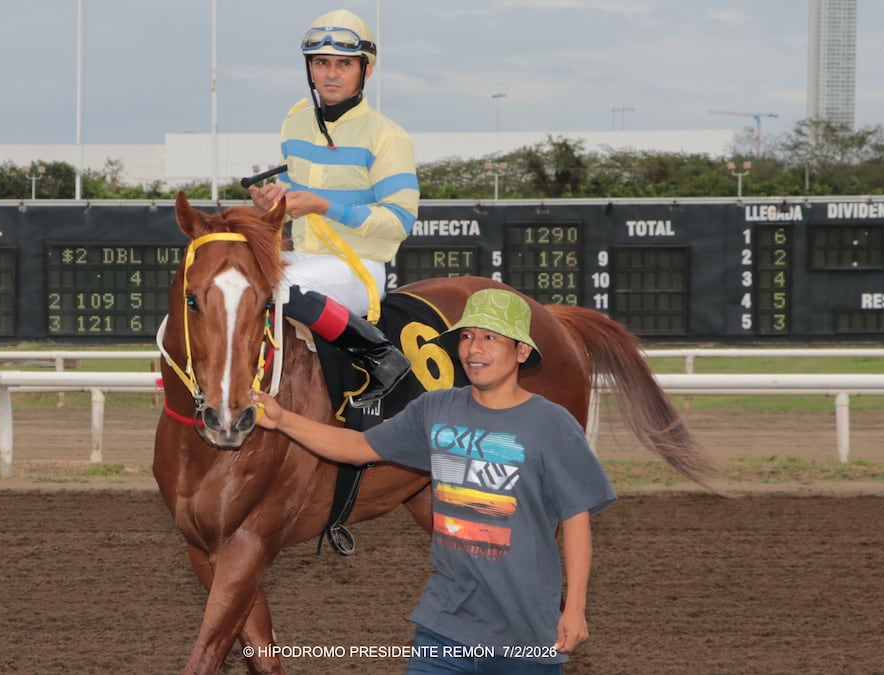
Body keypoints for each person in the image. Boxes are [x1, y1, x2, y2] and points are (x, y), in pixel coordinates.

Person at [254, 288, 617, 673]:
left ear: (522, 352)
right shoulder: (436, 408)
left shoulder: (552, 424)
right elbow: (359, 446)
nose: (474, 349)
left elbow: (577, 517)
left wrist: (575, 608)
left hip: (526, 636)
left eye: (490, 338)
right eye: (467, 336)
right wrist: (283, 421)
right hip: (446, 626)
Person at [250, 8, 419, 409]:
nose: (330, 73)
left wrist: (324, 206)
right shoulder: (295, 123)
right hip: (305, 259)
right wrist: (271, 204)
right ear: (310, 69)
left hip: (357, 267)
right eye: (321, 62)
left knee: (275, 289)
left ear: (367, 70)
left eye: (344, 64)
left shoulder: (388, 136)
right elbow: (297, 196)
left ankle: (382, 357)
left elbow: (400, 221)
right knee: (234, 276)